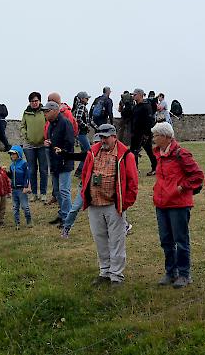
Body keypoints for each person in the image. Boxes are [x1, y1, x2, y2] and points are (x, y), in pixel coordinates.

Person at [80, 124, 139, 285]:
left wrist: (124, 204)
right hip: (94, 204)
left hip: (114, 205)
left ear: (114, 137)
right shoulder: (93, 151)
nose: (103, 140)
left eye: (106, 137)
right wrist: (84, 193)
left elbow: (133, 183)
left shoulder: (125, 155)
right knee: (100, 240)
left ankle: (116, 276)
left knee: (116, 241)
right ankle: (104, 272)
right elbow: (85, 173)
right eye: (101, 137)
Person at [151, 122, 204, 288]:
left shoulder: (181, 154)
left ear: (166, 137)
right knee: (166, 240)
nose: (153, 139)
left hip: (178, 204)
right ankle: (170, 272)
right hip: (161, 203)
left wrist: (180, 188)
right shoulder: (159, 154)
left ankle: (184, 274)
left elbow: (197, 176)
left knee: (181, 240)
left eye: (156, 135)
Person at [43, 101, 75, 227]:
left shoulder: (65, 123)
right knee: (57, 191)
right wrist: (49, 143)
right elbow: (54, 141)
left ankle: (68, 218)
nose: (45, 113)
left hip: (64, 162)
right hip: (55, 162)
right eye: (44, 111)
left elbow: (70, 142)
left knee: (64, 191)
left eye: (47, 111)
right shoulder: (51, 125)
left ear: (55, 111)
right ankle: (62, 214)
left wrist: (62, 152)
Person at [53, 139, 91, 239]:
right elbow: (74, 156)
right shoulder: (90, 153)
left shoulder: (110, 156)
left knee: (111, 207)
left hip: (100, 187)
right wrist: (63, 153)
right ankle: (66, 228)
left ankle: (125, 225)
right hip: (86, 187)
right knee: (74, 208)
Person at [20, 92, 49, 203]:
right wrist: (26, 135)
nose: (34, 103)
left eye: (36, 101)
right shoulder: (26, 113)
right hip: (29, 146)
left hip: (42, 145)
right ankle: (33, 193)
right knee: (32, 170)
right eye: (32, 101)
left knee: (43, 169)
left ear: (40, 101)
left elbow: (48, 124)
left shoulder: (44, 111)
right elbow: (22, 126)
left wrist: (46, 136)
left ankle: (43, 193)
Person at [130, 88, 157, 176]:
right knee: (133, 152)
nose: (133, 96)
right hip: (135, 133)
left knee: (148, 151)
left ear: (140, 95)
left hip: (143, 133)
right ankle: (134, 169)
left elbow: (149, 121)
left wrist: (146, 134)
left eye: (135, 95)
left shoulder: (146, 106)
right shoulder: (135, 106)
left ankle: (155, 168)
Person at [7, 146, 32, 229]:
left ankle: (29, 221)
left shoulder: (24, 164)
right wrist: (6, 173)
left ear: (18, 154)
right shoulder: (11, 165)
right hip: (14, 189)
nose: (12, 156)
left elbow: (27, 176)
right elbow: (11, 176)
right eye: (11, 154)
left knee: (25, 206)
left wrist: (26, 186)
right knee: (15, 207)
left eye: (14, 154)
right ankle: (17, 223)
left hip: (22, 189)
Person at [72, 91, 92, 177]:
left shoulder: (78, 106)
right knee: (89, 152)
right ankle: (81, 171)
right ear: (82, 99)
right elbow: (78, 119)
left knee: (85, 152)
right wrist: (86, 126)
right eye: (86, 98)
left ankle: (79, 172)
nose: (88, 99)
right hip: (81, 133)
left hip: (81, 133)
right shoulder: (81, 106)